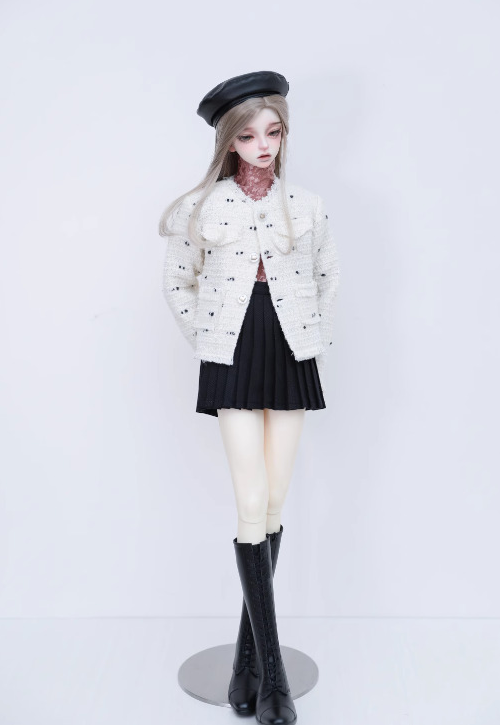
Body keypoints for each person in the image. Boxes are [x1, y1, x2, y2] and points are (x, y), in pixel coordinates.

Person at [159, 71, 340, 724]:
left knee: (275, 499)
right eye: (247, 135)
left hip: (290, 348)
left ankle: (247, 660)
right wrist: (209, 338)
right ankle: (275, 679)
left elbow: (326, 276)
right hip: (231, 350)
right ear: (228, 141)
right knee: (250, 500)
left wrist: (311, 334)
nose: (263, 145)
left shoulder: (307, 205)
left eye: (273, 131)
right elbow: (178, 282)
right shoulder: (200, 207)